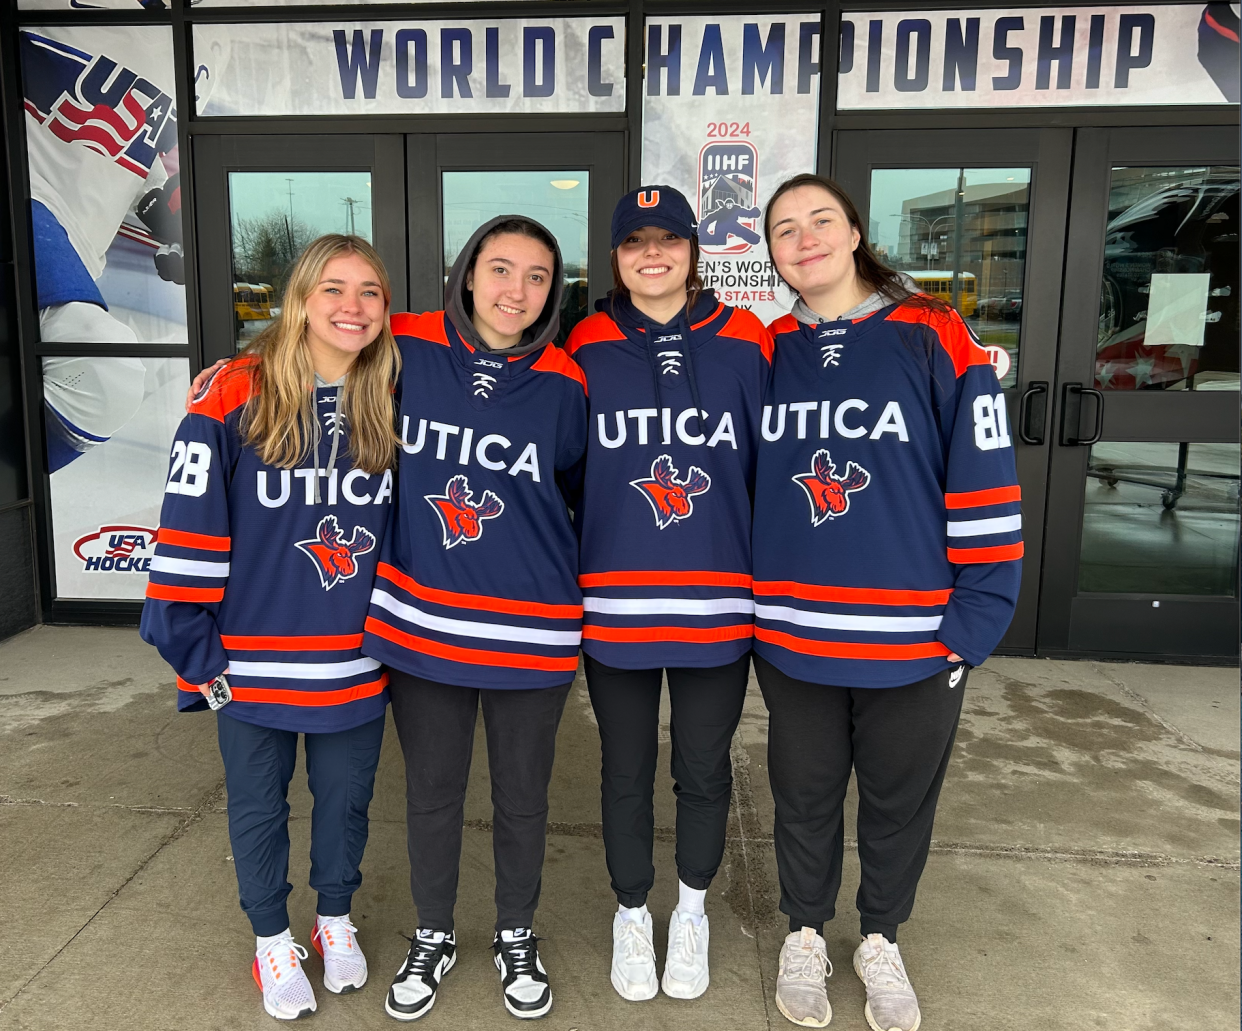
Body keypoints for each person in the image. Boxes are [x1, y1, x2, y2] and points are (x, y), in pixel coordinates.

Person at [754, 174, 1022, 1031]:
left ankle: (880, 938)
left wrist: (974, 619)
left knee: (898, 801)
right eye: (784, 228)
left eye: (819, 220)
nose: (804, 239)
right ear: (771, 254)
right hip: (795, 635)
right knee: (802, 794)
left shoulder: (934, 333)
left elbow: (984, 478)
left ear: (856, 229)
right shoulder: (767, 348)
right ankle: (804, 931)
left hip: (914, 637)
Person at [142, 234, 400, 1021]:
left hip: (354, 660)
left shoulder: (397, 393)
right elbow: (186, 527)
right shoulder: (232, 393)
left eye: (370, 292)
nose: (352, 307)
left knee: (346, 801)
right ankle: (269, 939)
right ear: (298, 298)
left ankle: (333, 920)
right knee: (258, 805)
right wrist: (196, 653)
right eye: (333, 289)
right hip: (249, 661)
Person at [362, 217, 588, 1022]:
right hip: (423, 622)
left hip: (532, 630)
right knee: (432, 792)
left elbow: (583, 491)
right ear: (466, 274)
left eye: (537, 277)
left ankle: (515, 931)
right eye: (500, 268)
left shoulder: (571, 377)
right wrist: (236, 373)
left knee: (524, 796)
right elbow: (314, 354)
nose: (516, 290)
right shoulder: (406, 343)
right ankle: (433, 931)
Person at [564, 187, 772, 1002]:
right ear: (615, 258)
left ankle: (690, 910)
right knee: (623, 767)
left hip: (718, 603)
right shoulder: (584, 341)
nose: (652, 254)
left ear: (694, 248)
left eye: (668, 239)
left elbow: (768, 465)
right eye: (634, 241)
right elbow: (566, 469)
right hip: (614, 603)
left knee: (702, 768)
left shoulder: (747, 340)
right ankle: (629, 911)